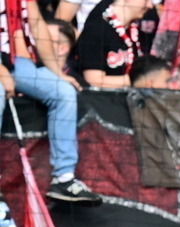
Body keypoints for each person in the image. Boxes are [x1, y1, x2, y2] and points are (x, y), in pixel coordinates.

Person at [2, 0, 101, 203]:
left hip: (16, 62)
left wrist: (57, 73)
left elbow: (38, 26)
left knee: (64, 91)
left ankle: (63, 179)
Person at [76, 0, 151, 89]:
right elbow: (94, 80)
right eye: (146, 0)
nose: (150, 6)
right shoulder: (96, 28)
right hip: (100, 100)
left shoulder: (136, 30)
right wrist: (138, 80)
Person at [45, 18, 87, 87]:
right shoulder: (28, 71)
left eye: (45, 39)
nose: (36, 43)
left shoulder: (77, 85)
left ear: (62, 49)